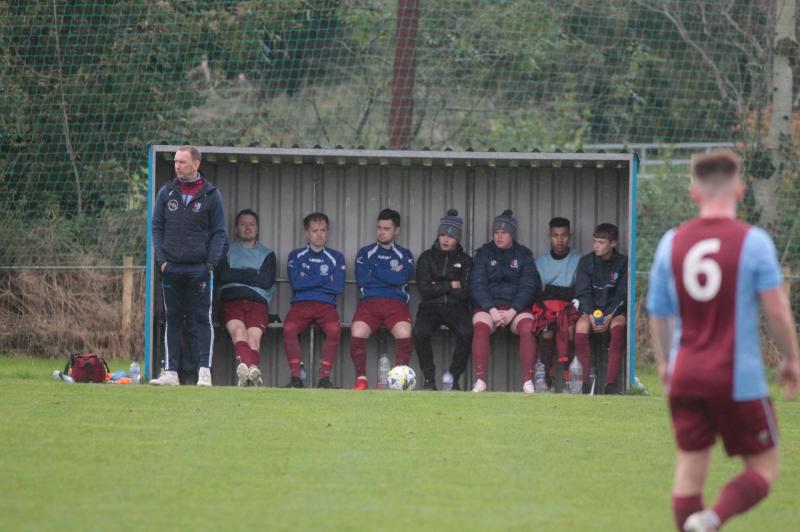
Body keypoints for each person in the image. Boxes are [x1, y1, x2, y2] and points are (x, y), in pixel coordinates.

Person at [647, 149, 799, 532]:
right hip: (738, 378)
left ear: (694, 193)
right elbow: (777, 309)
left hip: (686, 375)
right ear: (741, 190)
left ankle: (697, 523)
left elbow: (659, 313)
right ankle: (713, 520)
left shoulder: (671, 243)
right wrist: (791, 358)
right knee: (764, 466)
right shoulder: (754, 241)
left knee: (690, 467)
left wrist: (666, 365)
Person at [150, 145, 227, 387]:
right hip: (171, 268)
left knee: (202, 318)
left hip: (199, 269)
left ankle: (205, 371)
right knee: (172, 318)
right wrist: (162, 261)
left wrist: (211, 264)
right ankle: (171, 371)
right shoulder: (166, 192)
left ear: (196, 164)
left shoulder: (211, 194)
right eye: (175, 162)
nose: (177, 166)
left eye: (182, 162)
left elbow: (219, 233)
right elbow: (156, 228)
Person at [470, 209, 541, 394]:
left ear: (512, 234)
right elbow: (477, 285)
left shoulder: (523, 255)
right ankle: (480, 380)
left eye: (504, 232)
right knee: (480, 327)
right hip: (489, 308)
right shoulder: (484, 254)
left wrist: (512, 311)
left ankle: (528, 381)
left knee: (527, 327)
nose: (499, 236)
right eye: (496, 232)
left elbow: (529, 286)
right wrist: (491, 310)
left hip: (515, 309)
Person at [350, 208, 415, 390]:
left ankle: (399, 382)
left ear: (396, 230)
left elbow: (401, 279)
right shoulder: (365, 252)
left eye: (386, 228)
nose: (381, 231)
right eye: (379, 227)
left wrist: (375, 271)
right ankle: (361, 379)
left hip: (396, 303)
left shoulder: (405, 254)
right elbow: (363, 279)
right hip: (369, 302)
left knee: (404, 333)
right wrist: (389, 275)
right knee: (357, 332)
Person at [283, 212, 346, 389]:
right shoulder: (295, 255)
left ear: (327, 232)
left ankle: (324, 379)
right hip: (301, 304)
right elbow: (296, 283)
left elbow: (338, 287)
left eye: (323, 230)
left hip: (326, 305)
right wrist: (324, 278)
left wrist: (309, 279)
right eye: (315, 230)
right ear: (307, 233)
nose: (319, 234)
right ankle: (297, 377)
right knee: (289, 328)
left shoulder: (336, 257)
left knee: (334, 329)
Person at [413, 209, 473, 390]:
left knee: (466, 333)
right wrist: (451, 285)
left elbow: (466, 292)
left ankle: (454, 379)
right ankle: (429, 379)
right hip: (430, 307)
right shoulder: (426, 257)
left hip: (457, 307)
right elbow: (424, 290)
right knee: (420, 333)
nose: (446, 239)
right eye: (442, 235)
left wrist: (437, 285)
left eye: (451, 236)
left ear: (458, 238)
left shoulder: (466, 260)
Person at [217, 209, 276, 387]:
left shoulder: (267, 254)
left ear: (257, 229)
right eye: (243, 224)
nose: (248, 228)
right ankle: (252, 372)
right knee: (239, 333)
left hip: (257, 302)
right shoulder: (225, 251)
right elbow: (223, 276)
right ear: (236, 229)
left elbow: (265, 281)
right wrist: (252, 273)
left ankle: (246, 374)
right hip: (231, 301)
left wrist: (237, 274)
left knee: (253, 339)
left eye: (251, 225)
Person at [573, 222, 627, 395]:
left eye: (601, 242)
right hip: (591, 311)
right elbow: (583, 293)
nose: (596, 245)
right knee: (580, 327)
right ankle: (585, 384)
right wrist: (590, 316)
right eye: (594, 241)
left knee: (618, 327)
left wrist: (609, 316)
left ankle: (610, 385)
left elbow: (622, 294)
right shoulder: (586, 262)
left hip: (614, 312)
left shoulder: (623, 263)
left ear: (613, 243)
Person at [533, 216, 583, 391]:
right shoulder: (541, 262)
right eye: (555, 235)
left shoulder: (579, 260)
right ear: (549, 236)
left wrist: (553, 289)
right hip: (548, 310)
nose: (559, 240)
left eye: (564, 235)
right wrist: (560, 291)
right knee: (546, 330)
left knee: (568, 329)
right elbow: (539, 293)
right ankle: (548, 380)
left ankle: (569, 381)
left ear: (570, 236)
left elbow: (577, 292)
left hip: (570, 310)